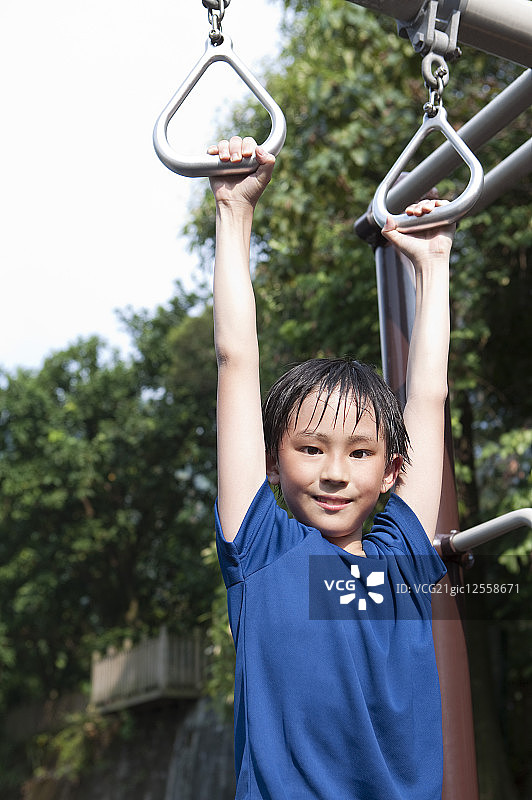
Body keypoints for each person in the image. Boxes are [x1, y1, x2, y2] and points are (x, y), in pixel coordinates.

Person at [208, 135, 454, 800]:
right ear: (271, 463)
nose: (335, 473)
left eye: (360, 453)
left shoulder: (401, 553)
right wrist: (234, 213)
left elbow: (427, 398)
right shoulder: (261, 546)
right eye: (310, 449)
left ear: (392, 471)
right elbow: (236, 359)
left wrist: (434, 266)